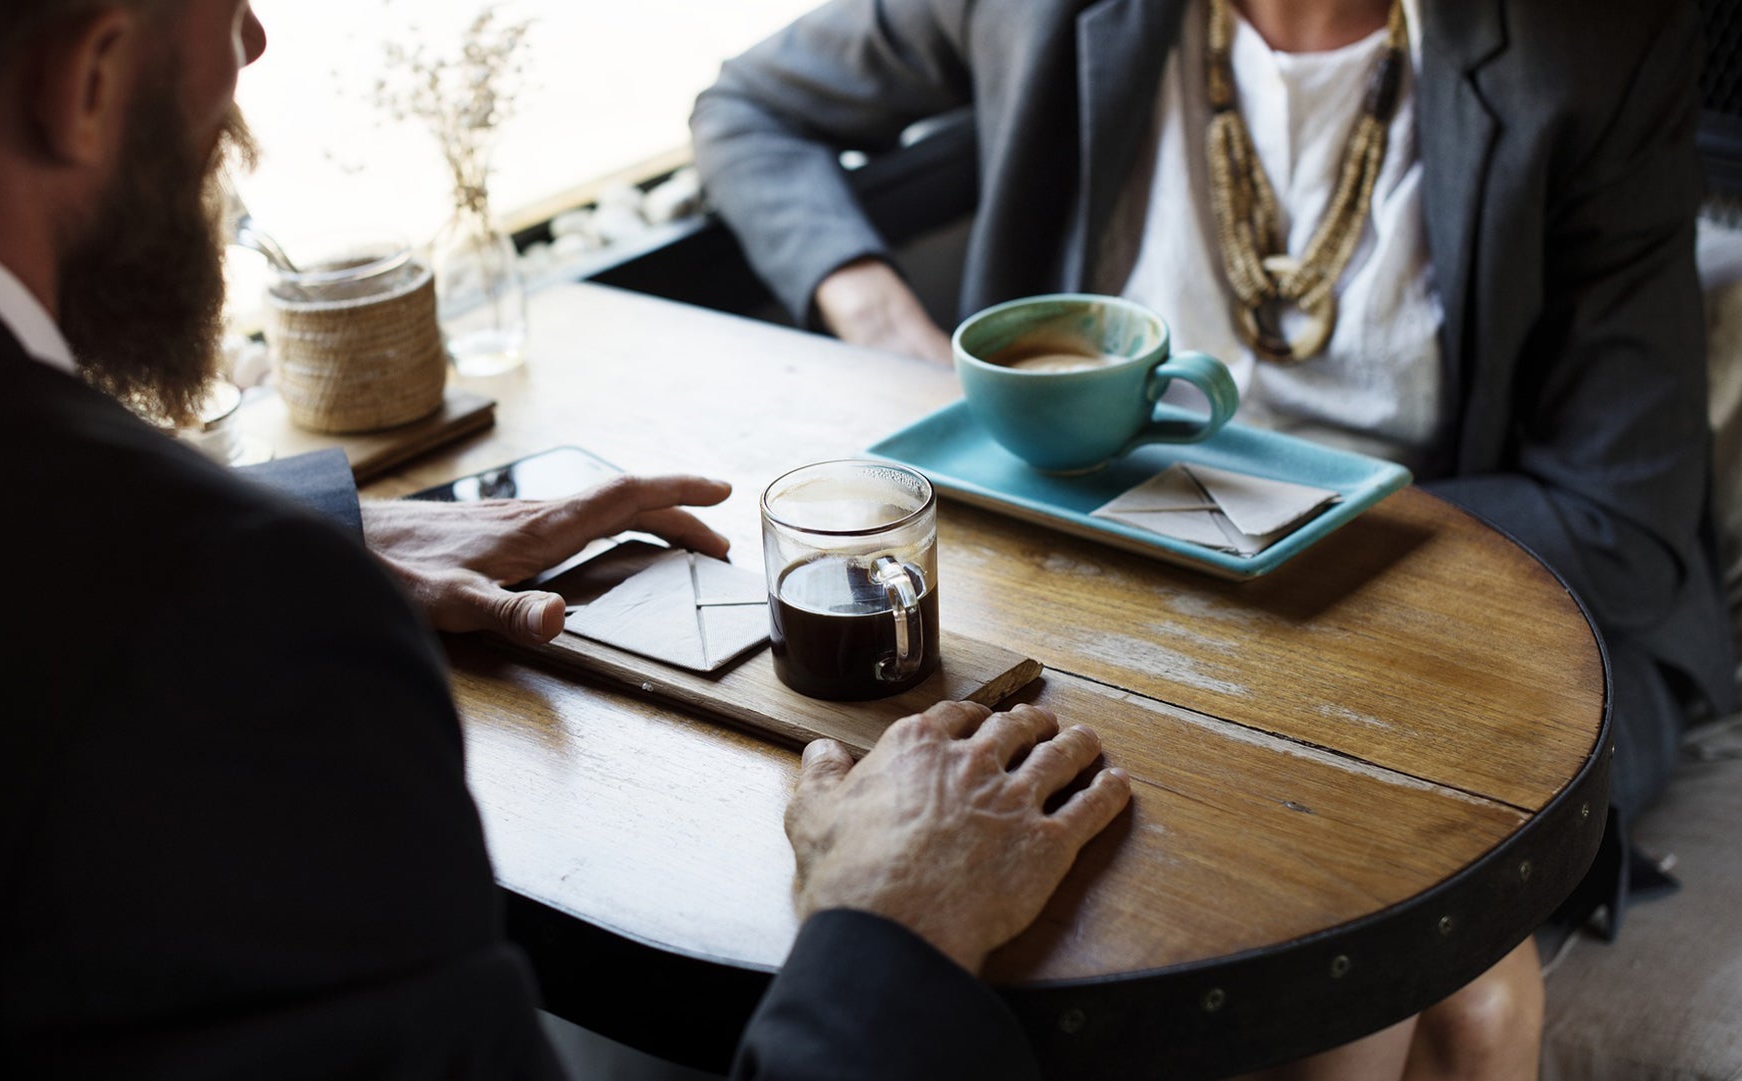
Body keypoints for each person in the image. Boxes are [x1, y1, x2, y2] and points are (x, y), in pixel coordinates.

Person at [0, 1, 1136, 1077]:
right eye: (225, 10)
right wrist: (887, 929)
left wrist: (328, 526)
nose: (259, 45)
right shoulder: (226, 633)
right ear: (90, 75)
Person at [691, 0, 1737, 1077]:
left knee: (1430, 1017)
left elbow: (1620, 520)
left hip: (1460, 625)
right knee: (1418, 1019)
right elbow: (747, 108)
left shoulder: (1596, 49)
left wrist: (1247, 545)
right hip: (1123, 616)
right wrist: (886, 331)